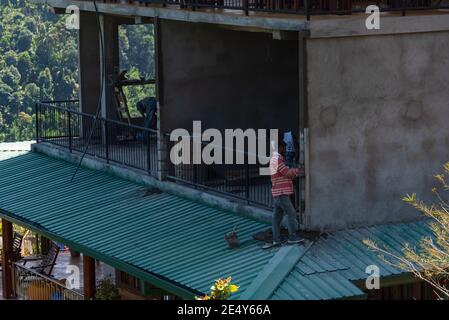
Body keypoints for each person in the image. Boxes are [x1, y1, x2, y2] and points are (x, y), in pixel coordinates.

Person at [263, 139, 303, 249]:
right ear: (279, 147)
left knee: (277, 217)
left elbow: (284, 172)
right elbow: (286, 173)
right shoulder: (277, 159)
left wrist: (292, 171)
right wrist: (297, 171)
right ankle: (292, 236)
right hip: (281, 192)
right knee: (291, 213)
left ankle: (276, 239)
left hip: (277, 192)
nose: (285, 150)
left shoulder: (273, 159)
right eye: (283, 148)